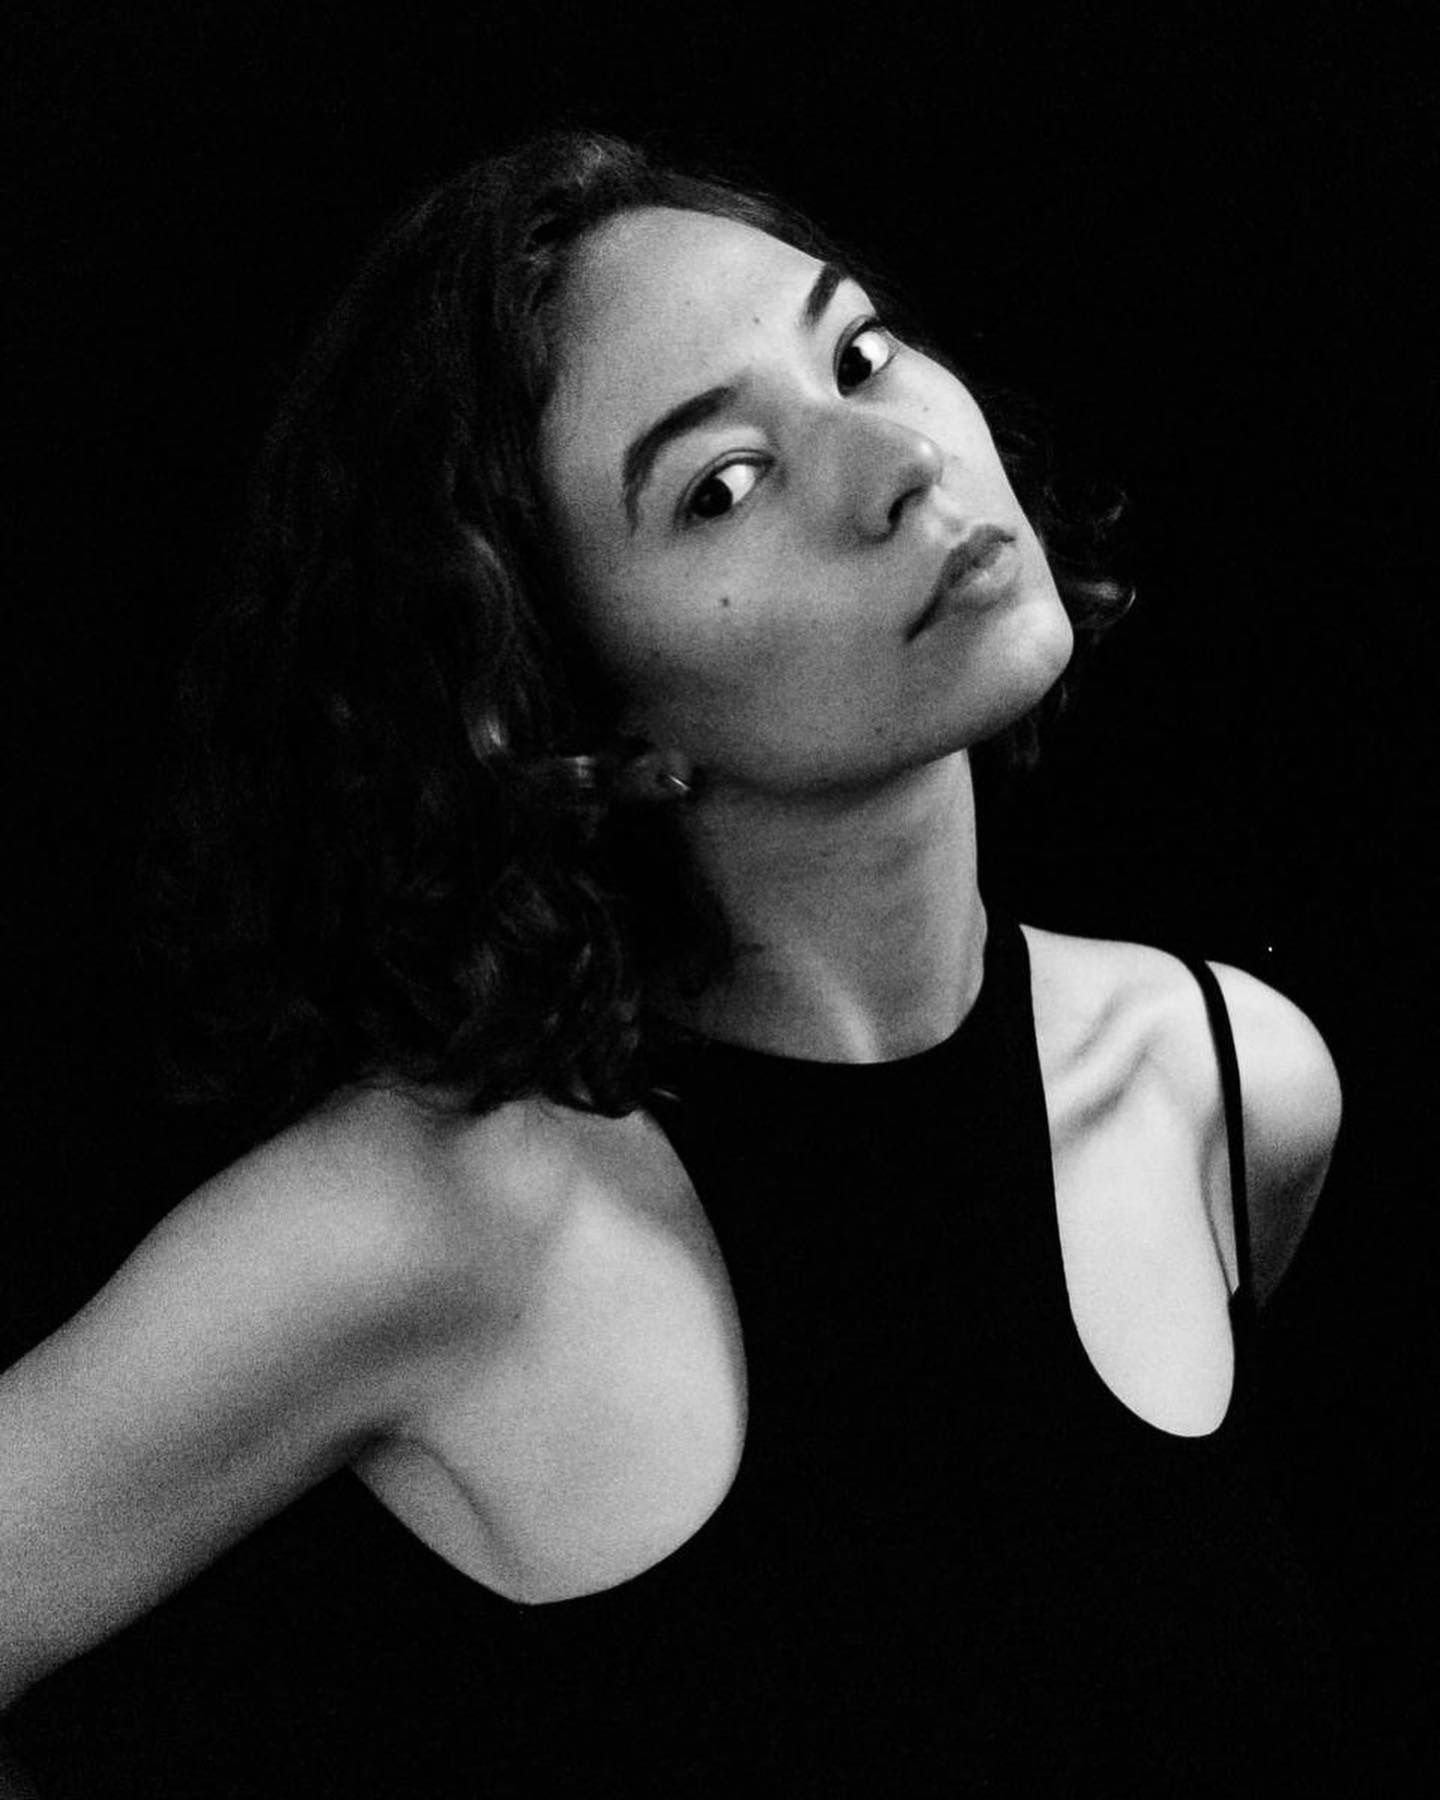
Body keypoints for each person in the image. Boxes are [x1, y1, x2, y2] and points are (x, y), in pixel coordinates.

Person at [0, 128, 1348, 1795]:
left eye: (860, 352)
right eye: (722, 484)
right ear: (582, 716)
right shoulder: (440, 1224)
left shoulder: (1230, 1078)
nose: (897, 459)